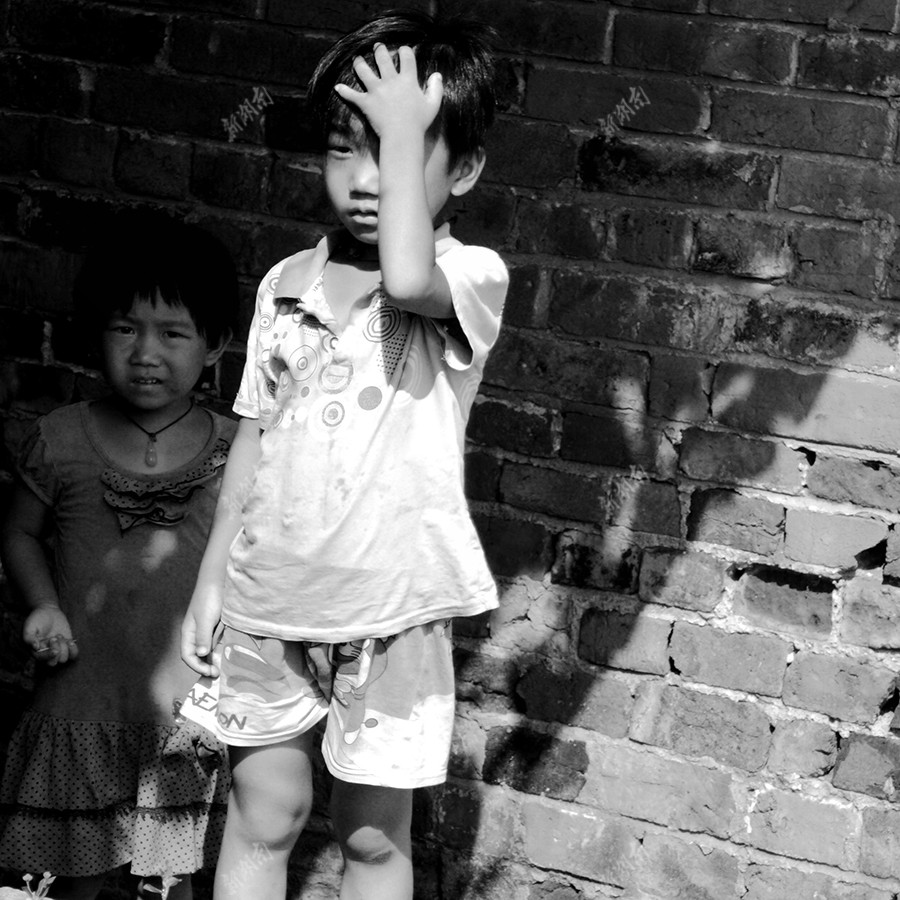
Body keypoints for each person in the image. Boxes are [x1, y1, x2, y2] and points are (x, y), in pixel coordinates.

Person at [179, 10, 508, 900]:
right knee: (263, 815)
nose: (365, 180)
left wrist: (402, 129)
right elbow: (256, 437)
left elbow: (407, 276)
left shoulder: (471, 276)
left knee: (370, 837)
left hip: (389, 614)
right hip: (269, 599)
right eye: (343, 151)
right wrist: (212, 579)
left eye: (396, 153)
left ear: (464, 170)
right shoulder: (285, 284)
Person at [0, 215, 239, 900]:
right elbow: (18, 534)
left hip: (182, 709)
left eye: (173, 334)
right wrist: (43, 604)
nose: (145, 354)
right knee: (74, 879)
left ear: (215, 344)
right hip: (80, 699)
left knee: (171, 885)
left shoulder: (237, 452)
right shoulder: (62, 438)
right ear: (95, 334)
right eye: (125, 329)